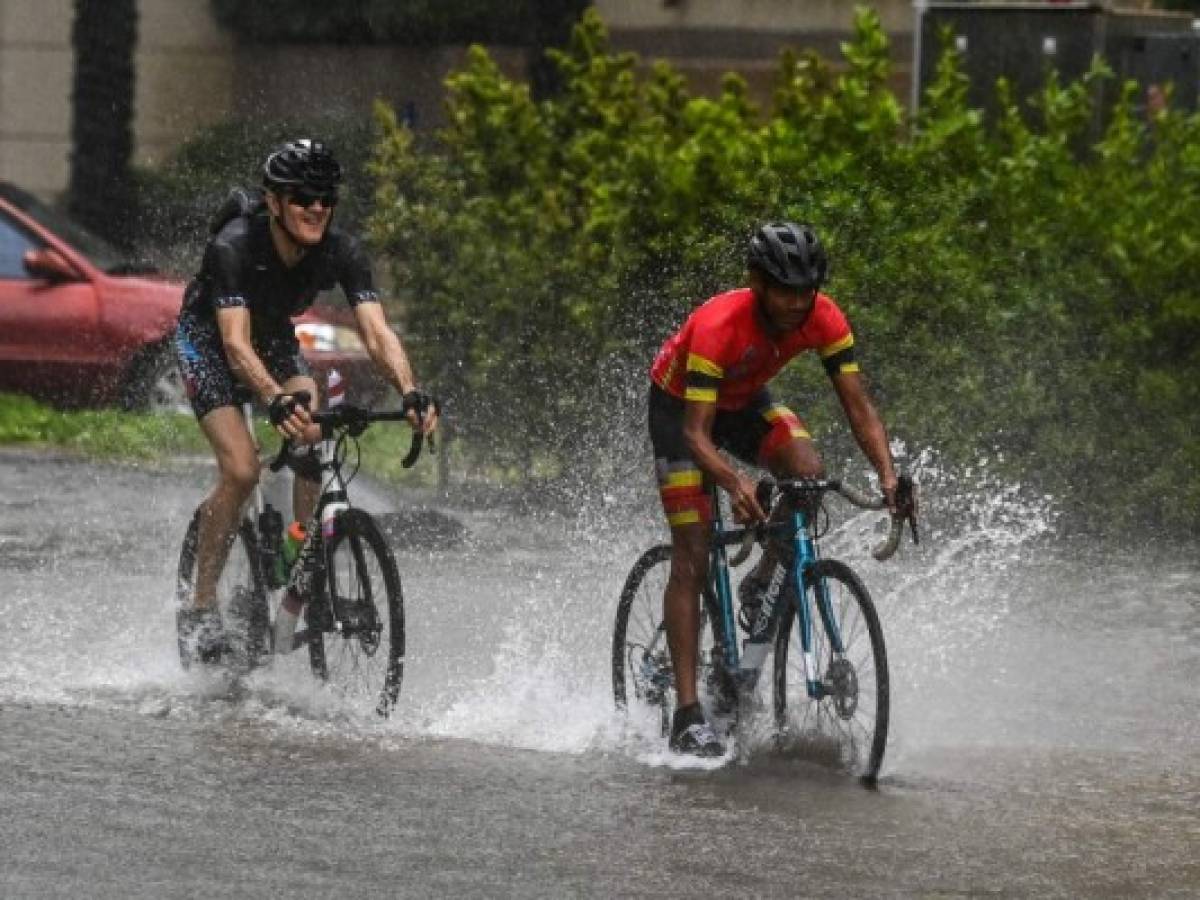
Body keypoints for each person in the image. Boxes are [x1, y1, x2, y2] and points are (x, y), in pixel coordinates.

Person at [174, 138, 437, 662]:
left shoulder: (342, 251)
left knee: (313, 428)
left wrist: (409, 389)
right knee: (243, 470)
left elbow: (377, 332)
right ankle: (200, 606)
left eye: (325, 196)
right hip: (209, 341)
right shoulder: (233, 245)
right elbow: (233, 344)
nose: (316, 206)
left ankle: (297, 556)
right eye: (301, 196)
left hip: (270, 339)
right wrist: (271, 398)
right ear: (273, 201)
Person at [647, 221, 901, 756]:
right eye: (784, 290)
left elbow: (859, 406)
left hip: (743, 400)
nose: (796, 303)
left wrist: (888, 473)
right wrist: (734, 479)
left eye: (806, 290)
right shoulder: (720, 324)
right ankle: (688, 715)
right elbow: (696, 434)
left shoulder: (825, 317)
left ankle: (764, 581)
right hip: (680, 413)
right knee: (693, 552)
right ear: (757, 283)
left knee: (806, 470)